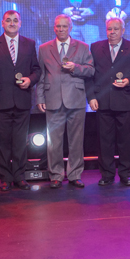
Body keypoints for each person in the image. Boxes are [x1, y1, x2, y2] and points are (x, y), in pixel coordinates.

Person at [0, 10, 41, 192]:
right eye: (8, 20)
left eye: (15, 20)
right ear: (2, 23)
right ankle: (5, 178)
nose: (12, 23)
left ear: (20, 23)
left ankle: (20, 176)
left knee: (20, 142)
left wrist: (30, 79)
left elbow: (37, 70)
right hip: (1, 101)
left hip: (22, 100)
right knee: (3, 142)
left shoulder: (29, 44)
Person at [37, 15, 95, 188]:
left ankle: (74, 174)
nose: (61, 29)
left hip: (75, 98)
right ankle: (55, 175)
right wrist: (40, 97)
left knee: (76, 140)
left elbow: (91, 70)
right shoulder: (44, 48)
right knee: (53, 141)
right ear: (54, 28)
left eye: (64, 26)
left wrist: (75, 68)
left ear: (70, 27)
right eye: (58, 26)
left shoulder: (83, 47)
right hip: (53, 98)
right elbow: (41, 75)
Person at [88, 18, 130, 186]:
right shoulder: (96, 47)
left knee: (126, 141)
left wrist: (129, 81)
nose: (112, 32)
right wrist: (91, 97)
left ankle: (126, 174)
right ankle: (107, 175)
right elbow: (90, 75)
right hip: (102, 102)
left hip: (125, 100)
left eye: (116, 29)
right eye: (109, 29)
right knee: (104, 142)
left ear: (123, 30)